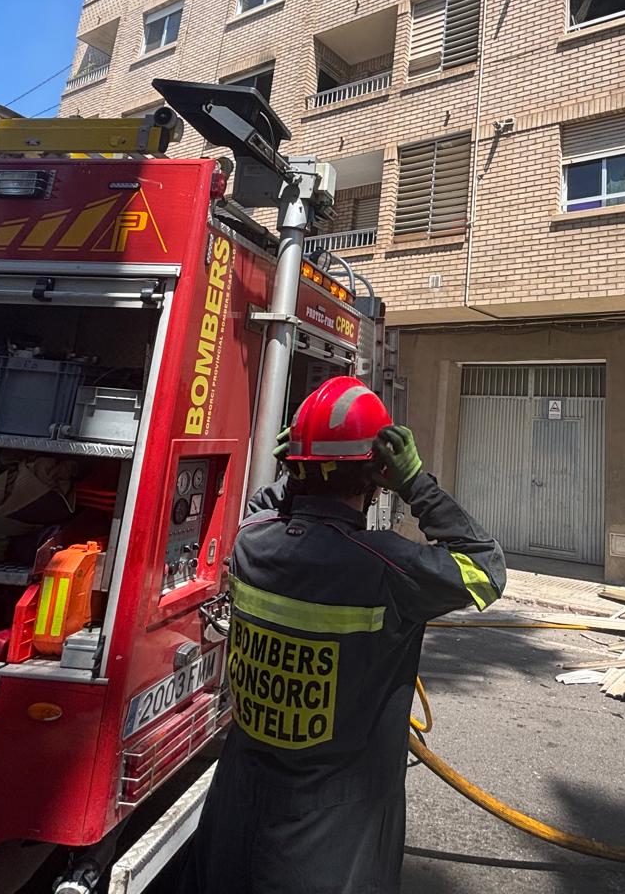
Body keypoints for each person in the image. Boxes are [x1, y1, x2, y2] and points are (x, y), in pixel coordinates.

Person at [183, 376, 506, 894]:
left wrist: (294, 474)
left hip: (237, 811)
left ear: (294, 465)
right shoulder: (387, 566)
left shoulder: (252, 542)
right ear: (379, 476)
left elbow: (263, 510)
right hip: (332, 838)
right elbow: (485, 570)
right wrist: (417, 483)